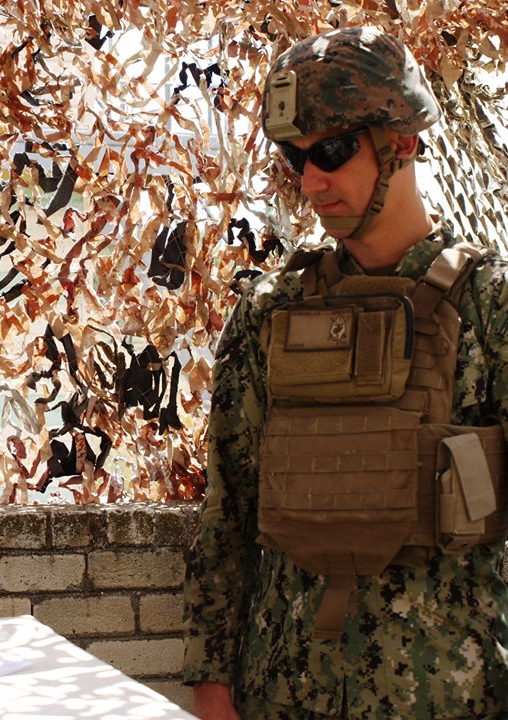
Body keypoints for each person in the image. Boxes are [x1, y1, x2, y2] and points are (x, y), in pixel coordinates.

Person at [183, 27, 508, 719]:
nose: (310, 181)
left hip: (449, 696)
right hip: (285, 693)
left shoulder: (491, 308)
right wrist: (211, 684)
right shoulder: (269, 312)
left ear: (402, 142)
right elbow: (228, 513)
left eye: (331, 151)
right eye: (295, 157)